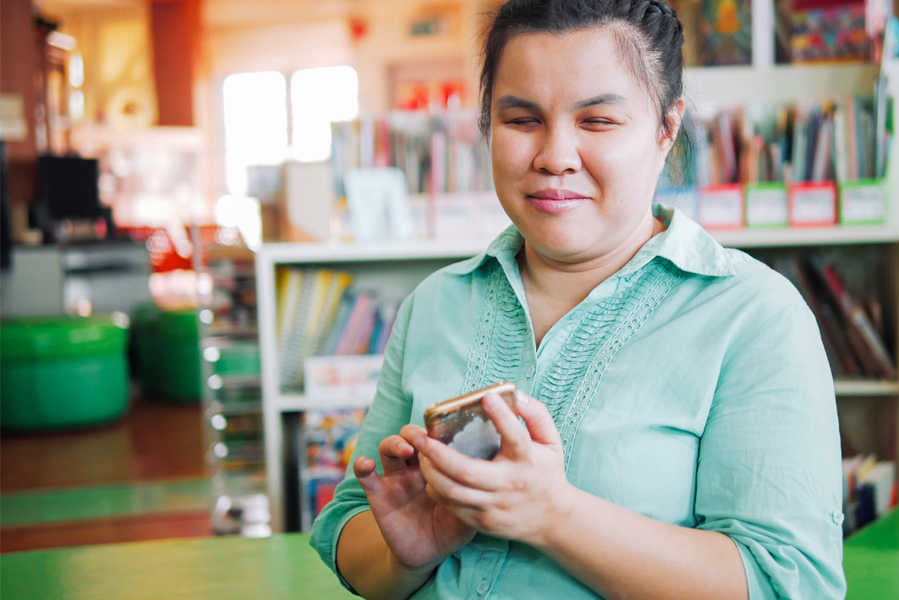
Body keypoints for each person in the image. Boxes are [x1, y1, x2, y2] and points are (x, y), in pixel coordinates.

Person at [310, 1, 846, 598]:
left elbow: (787, 582)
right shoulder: (435, 303)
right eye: (522, 120)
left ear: (667, 128)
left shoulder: (755, 315)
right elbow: (350, 525)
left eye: (597, 122)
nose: (555, 156)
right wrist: (409, 554)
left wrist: (555, 515)